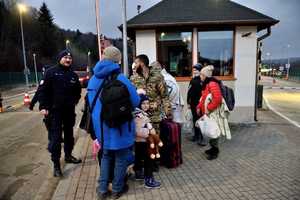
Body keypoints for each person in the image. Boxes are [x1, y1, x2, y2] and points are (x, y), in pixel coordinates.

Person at [87, 46, 140, 200]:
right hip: (120, 125)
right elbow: (135, 101)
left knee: (106, 156)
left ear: (103, 57)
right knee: (121, 156)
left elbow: (91, 104)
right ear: (117, 60)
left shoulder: (93, 79)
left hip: (101, 127)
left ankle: (102, 189)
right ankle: (117, 188)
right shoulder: (121, 78)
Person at [38, 50, 82, 177]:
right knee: (56, 140)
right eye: (65, 57)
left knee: (69, 136)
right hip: (54, 112)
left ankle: (68, 156)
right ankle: (56, 165)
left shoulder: (73, 75)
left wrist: (74, 101)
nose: (68, 59)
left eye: (70, 57)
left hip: (68, 111)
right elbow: (43, 91)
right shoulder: (50, 72)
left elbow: (78, 91)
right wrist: (43, 106)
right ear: (60, 59)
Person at [130, 55, 172, 135]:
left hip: (155, 116)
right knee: (142, 144)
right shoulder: (134, 78)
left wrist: (168, 113)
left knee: (155, 141)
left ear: (142, 64)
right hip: (140, 117)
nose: (134, 65)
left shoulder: (157, 77)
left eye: (136, 63)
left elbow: (165, 96)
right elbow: (132, 96)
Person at [196, 65, 230, 160]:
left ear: (206, 76)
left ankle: (215, 151)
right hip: (209, 113)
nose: (200, 77)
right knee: (211, 131)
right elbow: (203, 98)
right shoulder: (207, 84)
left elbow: (217, 99)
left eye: (202, 75)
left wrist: (208, 109)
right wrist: (199, 107)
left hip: (213, 113)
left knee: (213, 131)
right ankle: (212, 148)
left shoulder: (212, 84)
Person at [134, 92, 161, 189]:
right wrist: (149, 131)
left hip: (140, 142)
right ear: (139, 104)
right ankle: (149, 180)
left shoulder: (140, 113)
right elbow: (137, 131)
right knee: (149, 160)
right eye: (143, 103)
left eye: (147, 103)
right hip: (143, 141)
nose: (146, 105)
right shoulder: (139, 116)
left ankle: (138, 174)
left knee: (139, 158)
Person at [187, 63, 207, 145]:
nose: (194, 71)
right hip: (193, 104)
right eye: (193, 70)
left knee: (201, 120)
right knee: (195, 119)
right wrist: (188, 102)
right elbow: (189, 92)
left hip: (201, 104)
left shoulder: (203, 80)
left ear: (200, 71)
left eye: (196, 70)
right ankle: (196, 136)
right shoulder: (193, 80)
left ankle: (202, 138)